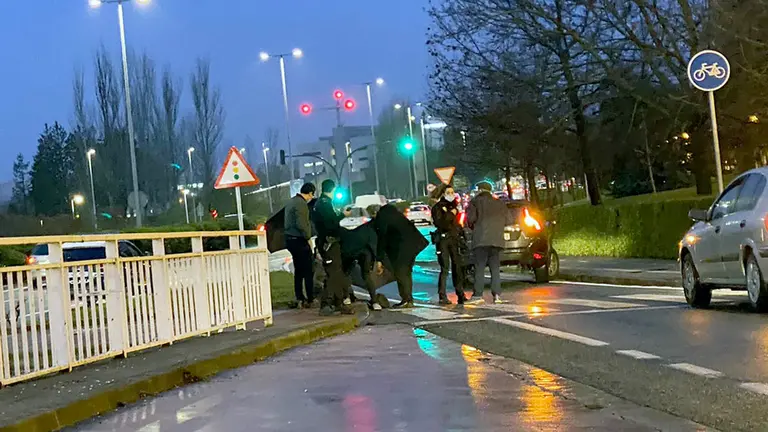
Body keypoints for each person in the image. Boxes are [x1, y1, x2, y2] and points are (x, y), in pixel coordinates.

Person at [372, 203, 428, 308]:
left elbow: (382, 239)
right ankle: (408, 299)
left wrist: (379, 258)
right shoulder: (399, 217)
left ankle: (406, 299)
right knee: (406, 273)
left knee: (401, 273)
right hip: (412, 247)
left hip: (401, 249)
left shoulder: (384, 219)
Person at [467, 181, 512, 304]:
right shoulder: (499, 203)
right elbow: (509, 220)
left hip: (481, 240)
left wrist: (474, 227)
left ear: (480, 190)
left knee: (480, 267)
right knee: (495, 268)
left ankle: (478, 295)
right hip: (496, 239)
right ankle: (497, 295)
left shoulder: (475, 202)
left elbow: (470, 220)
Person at [312, 179, 353, 316]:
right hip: (329, 243)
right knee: (333, 274)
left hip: (327, 242)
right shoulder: (324, 204)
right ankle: (326, 304)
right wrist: (342, 215)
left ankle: (338, 302)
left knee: (336, 273)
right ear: (333, 189)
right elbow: (331, 224)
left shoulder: (320, 203)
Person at [431, 185, 466, 305]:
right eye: (448, 192)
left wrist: (461, 234)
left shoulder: (455, 206)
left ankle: (460, 294)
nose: (451, 194)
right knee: (445, 268)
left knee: (457, 267)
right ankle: (442, 295)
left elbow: (457, 224)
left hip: (454, 239)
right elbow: (441, 223)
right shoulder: (437, 208)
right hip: (443, 240)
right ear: (443, 194)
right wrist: (451, 214)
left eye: (452, 192)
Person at [283, 182, 316, 308]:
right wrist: (308, 238)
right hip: (299, 240)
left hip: (290, 240)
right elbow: (302, 224)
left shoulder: (291, 202)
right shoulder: (301, 204)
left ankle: (299, 297)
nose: (311, 198)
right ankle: (310, 298)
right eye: (312, 195)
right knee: (308, 270)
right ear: (310, 193)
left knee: (299, 270)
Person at [340, 214, 380, 310]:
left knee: (345, 273)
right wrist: (377, 261)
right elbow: (373, 246)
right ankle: (374, 301)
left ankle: (346, 297)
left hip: (349, 251)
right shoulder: (371, 230)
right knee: (366, 275)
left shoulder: (346, 226)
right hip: (364, 253)